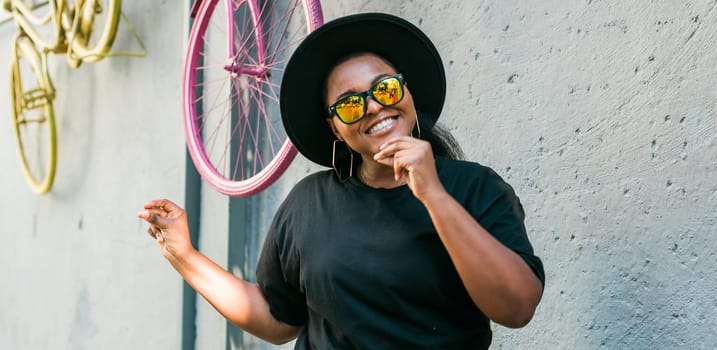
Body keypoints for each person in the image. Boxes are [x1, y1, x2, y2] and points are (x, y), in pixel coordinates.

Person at [138, 12, 545, 349]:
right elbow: (278, 319)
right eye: (349, 104)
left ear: (407, 94)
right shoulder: (307, 204)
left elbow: (516, 308)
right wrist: (184, 256)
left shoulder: (474, 188)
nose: (371, 107)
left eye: (384, 89)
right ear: (336, 129)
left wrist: (433, 194)